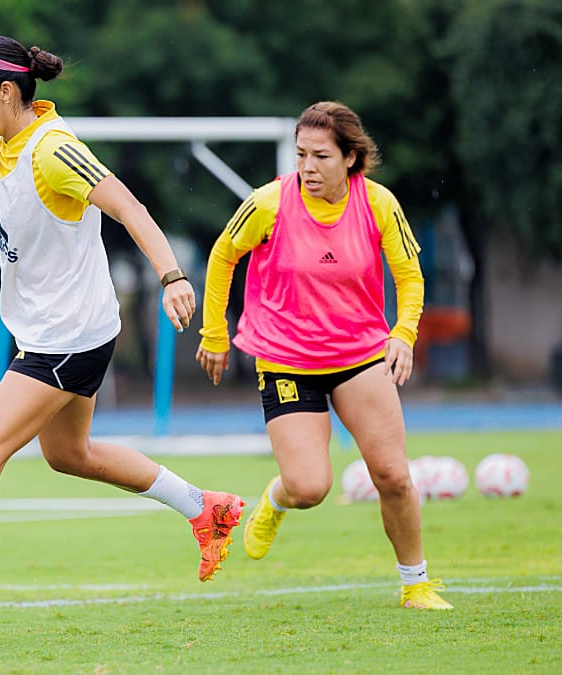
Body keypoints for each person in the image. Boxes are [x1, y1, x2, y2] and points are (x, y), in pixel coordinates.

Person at [0, 35, 246, 638]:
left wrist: (171, 275)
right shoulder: (4, 144)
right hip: (56, 329)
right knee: (69, 455)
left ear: (7, 93)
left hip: (68, 336)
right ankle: (204, 508)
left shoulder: (54, 148)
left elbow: (128, 206)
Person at [195, 101, 452, 610]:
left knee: (394, 476)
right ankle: (275, 499)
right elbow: (224, 254)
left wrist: (403, 333)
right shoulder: (269, 202)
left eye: (321, 157)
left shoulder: (378, 203)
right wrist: (214, 333)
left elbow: (409, 276)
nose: (308, 168)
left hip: (359, 355)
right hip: (286, 358)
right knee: (309, 486)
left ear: (350, 159)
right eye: (301, 156)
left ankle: (416, 585)